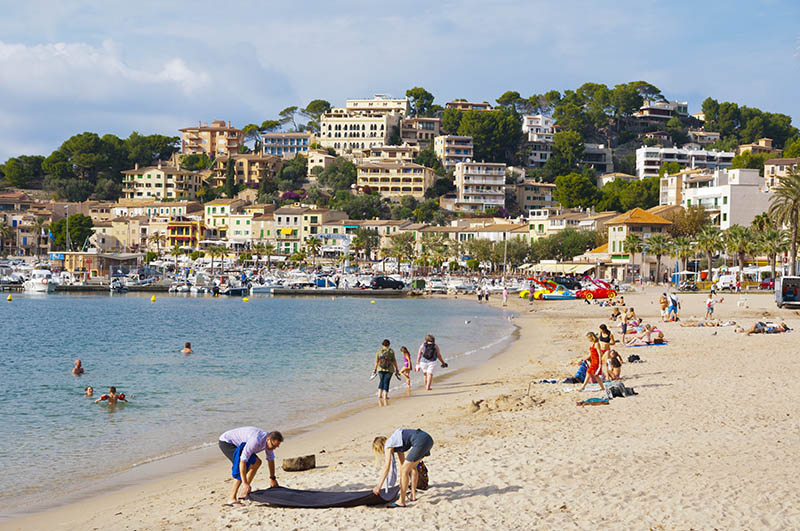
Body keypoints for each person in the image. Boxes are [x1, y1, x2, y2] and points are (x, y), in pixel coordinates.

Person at [218, 427, 283, 507]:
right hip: (227, 442)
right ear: (268, 439)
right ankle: (232, 498)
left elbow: (270, 460)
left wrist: (272, 478)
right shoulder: (256, 441)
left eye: (276, 447)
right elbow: (243, 461)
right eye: (273, 446)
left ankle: (244, 492)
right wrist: (244, 482)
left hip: (241, 443)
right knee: (242, 467)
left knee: (257, 463)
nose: (273, 448)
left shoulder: (269, 443)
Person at [373, 428, 434, 507]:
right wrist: (402, 482)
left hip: (420, 441)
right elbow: (403, 464)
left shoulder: (388, 445)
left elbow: (386, 468)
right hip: (428, 439)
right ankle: (413, 495)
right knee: (412, 468)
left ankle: (401, 501)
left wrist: (378, 487)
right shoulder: (396, 442)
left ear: (380, 447)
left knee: (405, 470)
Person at [372, 339, 400, 406]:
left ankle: (379, 395)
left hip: (380, 369)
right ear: (389, 345)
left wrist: (374, 370)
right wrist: (397, 369)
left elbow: (376, 362)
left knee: (381, 381)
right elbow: (394, 361)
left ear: (382, 344)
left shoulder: (379, 351)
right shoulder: (391, 351)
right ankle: (385, 396)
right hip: (389, 369)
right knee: (386, 382)